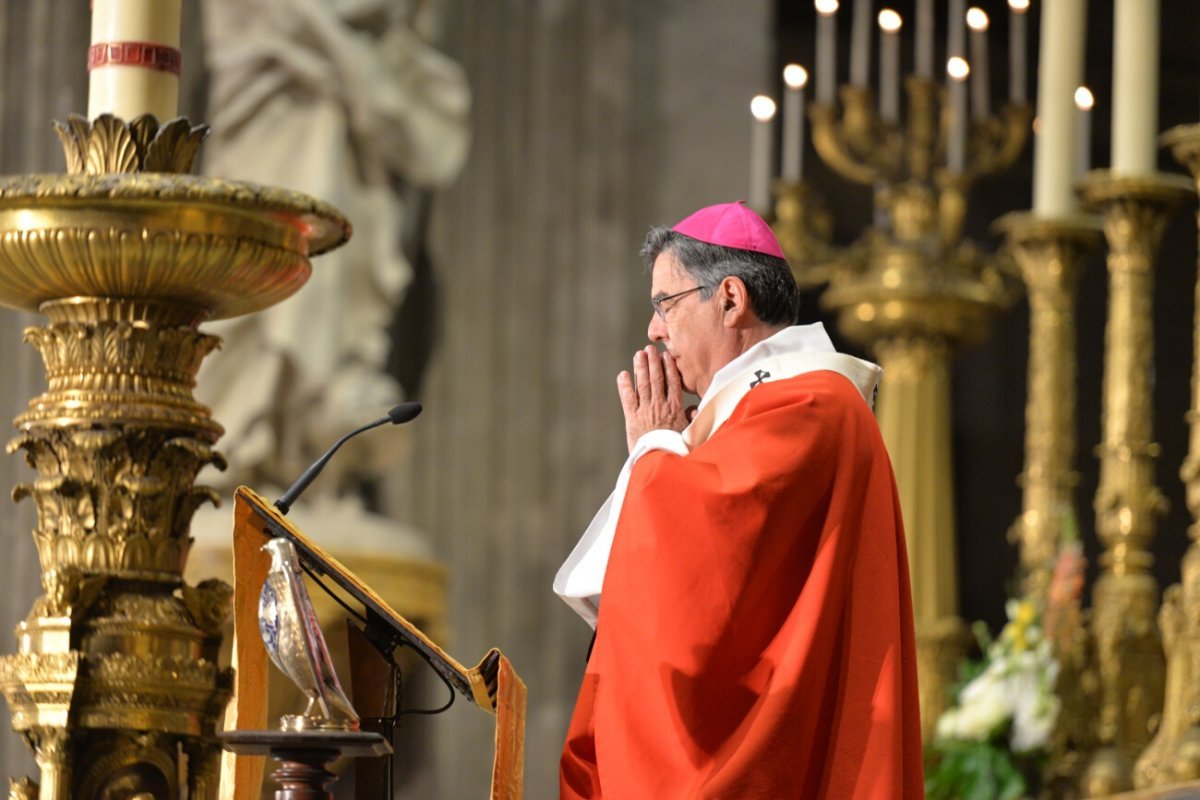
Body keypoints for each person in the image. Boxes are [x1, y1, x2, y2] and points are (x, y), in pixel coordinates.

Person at [553, 201, 923, 798]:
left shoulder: (813, 405)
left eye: (664, 304)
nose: (653, 329)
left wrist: (654, 453)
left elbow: (702, 591)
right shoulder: (755, 412)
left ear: (729, 298)